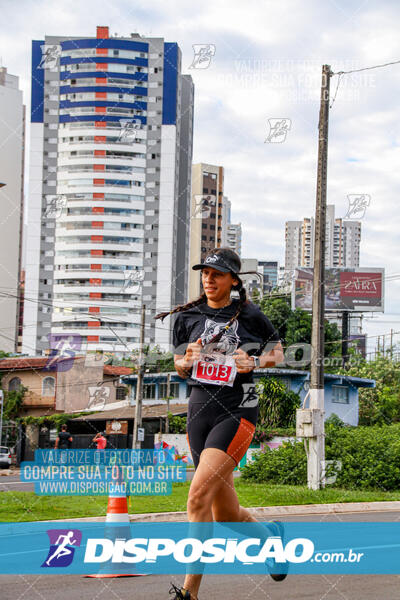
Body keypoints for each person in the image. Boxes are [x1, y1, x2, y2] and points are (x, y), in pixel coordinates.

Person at [155, 248, 288, 600]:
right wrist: (186, 360)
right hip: (199, 411)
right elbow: (179, 366)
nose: (208, 279)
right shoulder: (187, 317)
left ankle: (189, 593)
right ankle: (270, 538)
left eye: (216, 274)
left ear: (233, 279)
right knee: (226, 513)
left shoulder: (250, 315)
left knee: (197, 497)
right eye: (205, 273)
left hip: (238, 409)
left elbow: (279, 352)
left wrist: (254, 361)